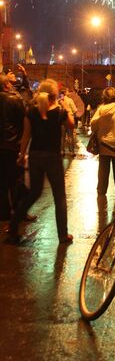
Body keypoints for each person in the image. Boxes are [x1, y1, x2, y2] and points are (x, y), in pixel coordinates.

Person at [6, 79, 74, 245]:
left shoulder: (31, 112)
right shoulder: (59, 112)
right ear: (54, 95)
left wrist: (22, 155)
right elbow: (72, 126)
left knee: (33, 193)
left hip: (35, 156)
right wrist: (66, 109)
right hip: (53, 158)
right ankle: (63, 235)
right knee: (59, 197)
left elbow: (26, 136)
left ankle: (13, 228)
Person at [91, 87, 115, 197]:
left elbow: (93, 125)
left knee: (103, 170)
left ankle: (101, 190)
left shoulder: (101, 109)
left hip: (104, 143)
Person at [0, 74, 25, 221]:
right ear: (6, 85)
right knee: (16, 180)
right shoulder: (14, 99)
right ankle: (18, 211)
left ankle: (3, 212)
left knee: (2, 181)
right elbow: (23, 122)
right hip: (12, 145)